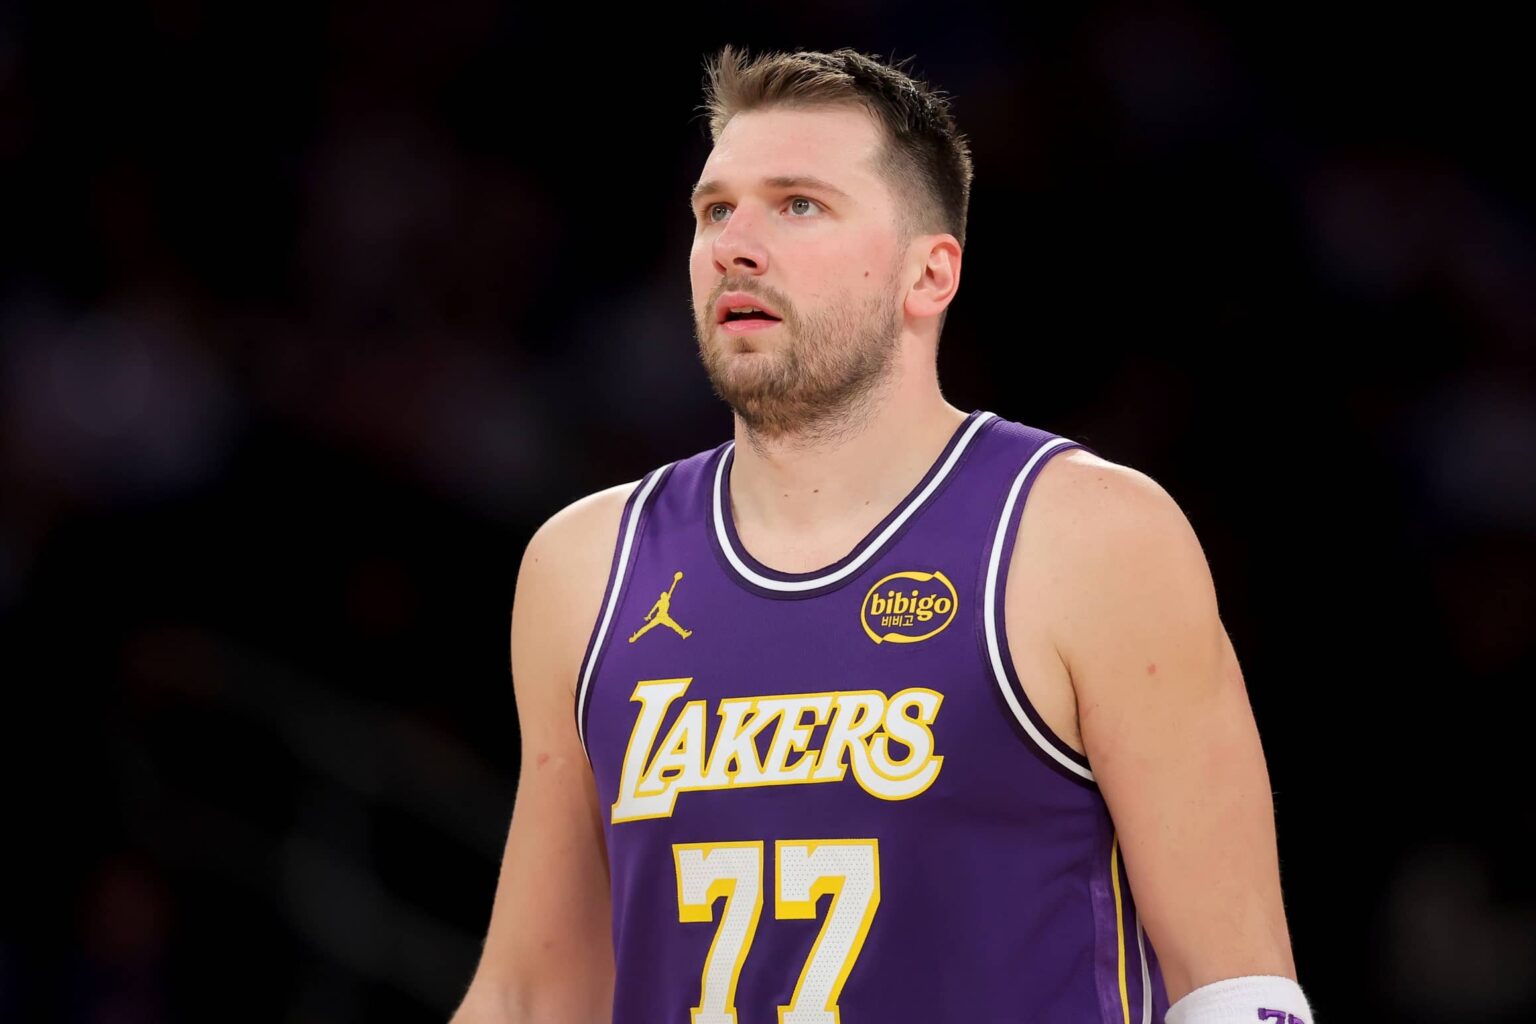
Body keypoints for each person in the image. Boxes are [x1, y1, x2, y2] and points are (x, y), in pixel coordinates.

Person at [450, 44, 1312, 1024]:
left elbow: (1240, 991)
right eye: (714, 209)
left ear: (929, 273)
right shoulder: (585, 563)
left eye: (799, 204)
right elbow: (529, 994)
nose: (735, 243)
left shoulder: (1086, 535)